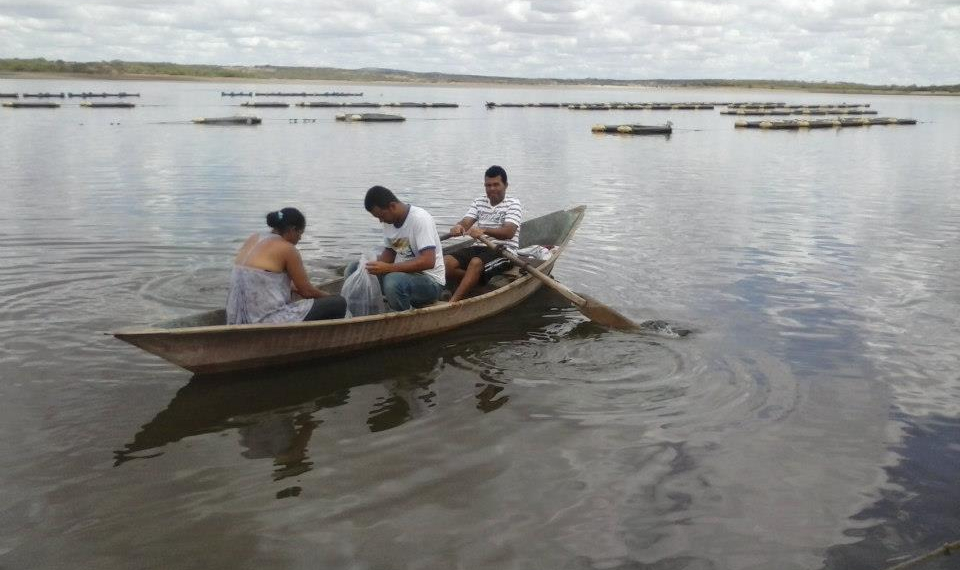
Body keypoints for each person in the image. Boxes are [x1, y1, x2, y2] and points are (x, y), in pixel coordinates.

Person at [226, 207, 346, 324]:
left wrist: (292, 286)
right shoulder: (287, 248)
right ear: (293, 229)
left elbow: (259, 277)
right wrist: (330, 297)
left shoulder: (254, 238)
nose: (300, 238)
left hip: (235, 318)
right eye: (300, 233)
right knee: (339, 303)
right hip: (267, 321)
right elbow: (307, 292)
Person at [354, 185, 446, 311]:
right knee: (355, 269)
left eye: (381, 216)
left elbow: (428, 261)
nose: (381, 221)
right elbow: (390, 253)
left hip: (430, 281)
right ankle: (366, 311)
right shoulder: (389, 221)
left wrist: (388, 268)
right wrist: (371, 266)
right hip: (403, 274)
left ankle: (404, 316)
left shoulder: (420, 219)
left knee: (393, 282)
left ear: (392, 206)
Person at [443, 165, 522, 302]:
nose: (491, 189)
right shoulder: (479, 201)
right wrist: (458, 226)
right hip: (480, 248)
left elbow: (509, 232)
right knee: (446, 263)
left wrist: (484, 230)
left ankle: (452, 303)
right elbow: (466, 222)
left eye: (496, 184)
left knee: (475, 263)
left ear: (505, 185)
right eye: (488, 185)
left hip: (504, 251)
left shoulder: (513, 204)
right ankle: (475, 281)